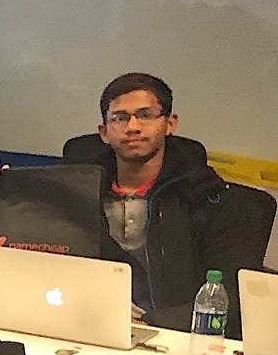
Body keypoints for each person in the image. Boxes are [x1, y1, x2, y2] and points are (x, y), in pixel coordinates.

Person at [59, 72, 267, 321]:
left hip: (172, 333)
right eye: (120, 118)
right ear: (104, 132)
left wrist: (149, 323)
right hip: (86, 323)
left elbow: (230, 297)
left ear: (170, 123)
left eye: (146, 115)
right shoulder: (75, 195)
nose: (133, 127)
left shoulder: (209, 200)